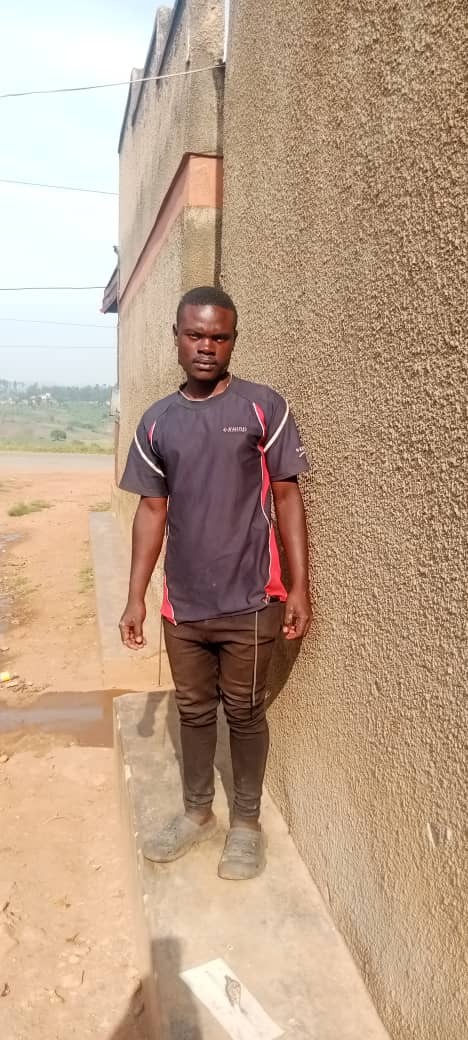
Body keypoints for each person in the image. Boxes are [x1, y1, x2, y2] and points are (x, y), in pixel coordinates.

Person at [119, 286, 311, 880]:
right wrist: (135, 597)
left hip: (250, 599)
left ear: (233, 341)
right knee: (194, 710)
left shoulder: (263, 408)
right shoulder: (157, 422)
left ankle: (246, 824)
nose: (207, 346)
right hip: (184, 605)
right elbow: (152, 510)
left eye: (219, 337)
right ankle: (197, 812)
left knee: (245, 713)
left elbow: (287, 497)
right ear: (176, 337)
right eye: (195, 335)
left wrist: (299, 587)